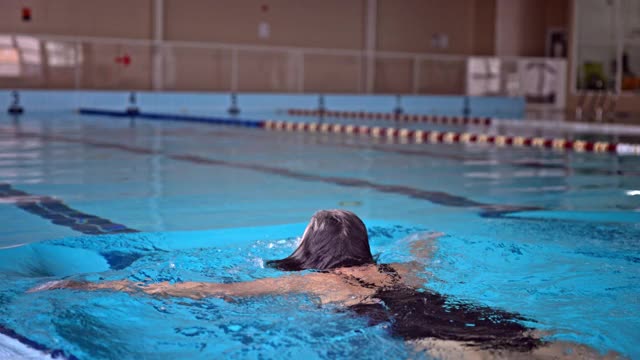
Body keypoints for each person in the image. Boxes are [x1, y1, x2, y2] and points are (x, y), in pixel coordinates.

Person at [30, 210, 614, 359]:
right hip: (484, 319)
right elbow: (425, 255)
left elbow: (208, 292)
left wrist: (102, 289)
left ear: (309, 255)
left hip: (433, 345)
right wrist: (427, 238)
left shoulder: (314, 288)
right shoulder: (398, 272)